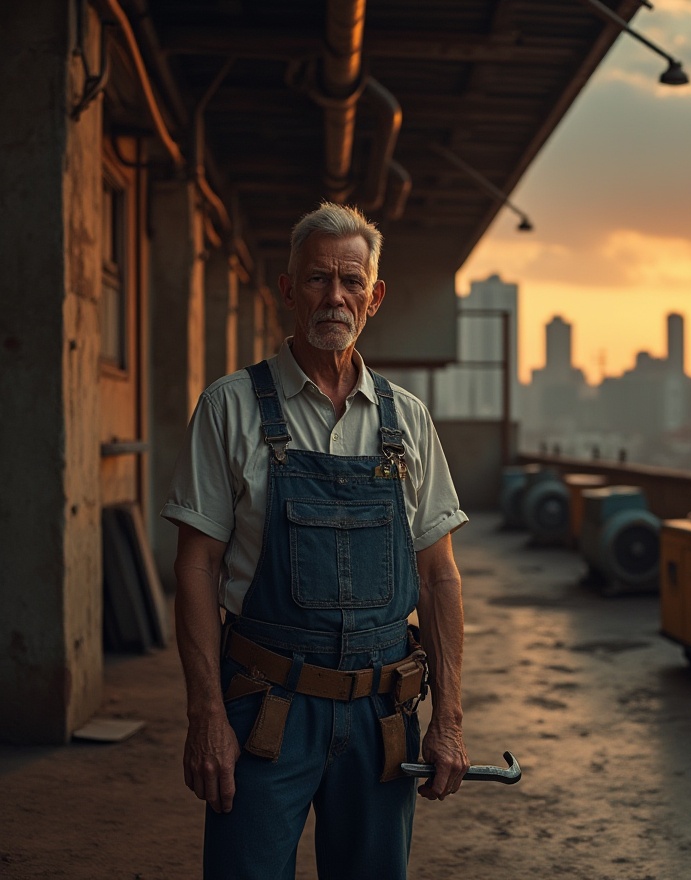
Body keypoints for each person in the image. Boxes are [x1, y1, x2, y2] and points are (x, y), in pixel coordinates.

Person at [162, 201, 470, 879]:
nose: (335, 296)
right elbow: (195, 567)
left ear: (375, 296)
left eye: (351, 281)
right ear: (287, 289)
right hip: (264, 711)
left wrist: (448, 717)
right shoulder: (231, 406)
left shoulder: (407, 420)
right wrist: (207, 715)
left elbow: (439, 576)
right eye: (317, 279)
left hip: (380, 720)